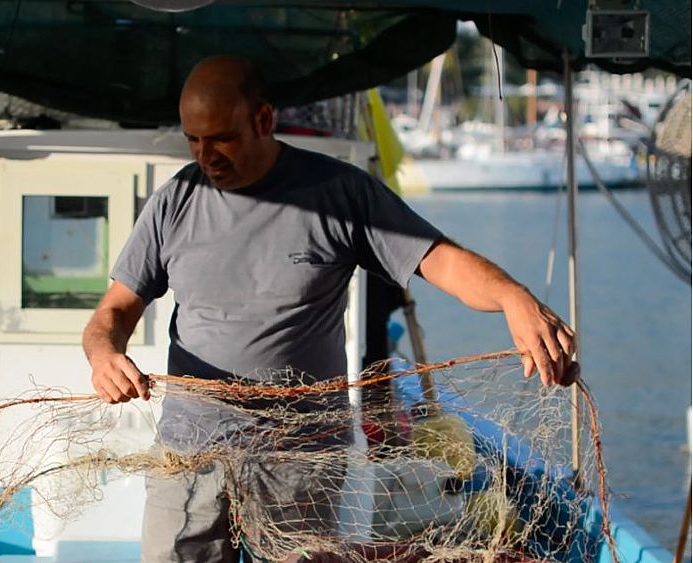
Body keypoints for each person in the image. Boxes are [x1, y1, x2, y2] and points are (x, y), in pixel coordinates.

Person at [82, 55, 578, 562]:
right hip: (191, 453)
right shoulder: (175, 201)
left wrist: (514, 299)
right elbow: (114, 312)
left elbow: (440, 262)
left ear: (264, 120)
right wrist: (105, 356)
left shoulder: (339, 193)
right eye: (194, 140)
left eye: (221, 138)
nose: (206, 156)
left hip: (301, 458)